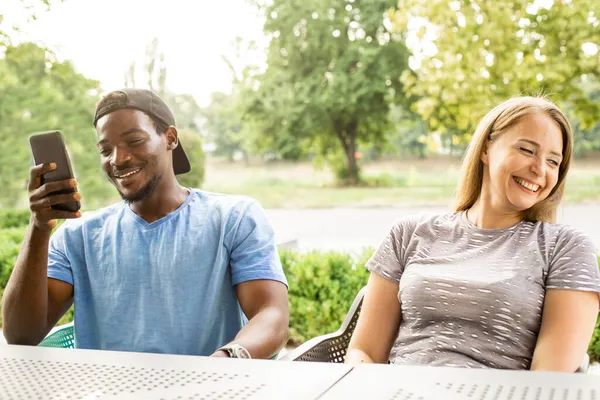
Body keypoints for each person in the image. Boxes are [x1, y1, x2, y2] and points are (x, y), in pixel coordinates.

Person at [2, 88, 289, 359]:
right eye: (105, 150)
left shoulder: (234, 218)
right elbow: (20, 335)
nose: (118, 158)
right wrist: (39, 226)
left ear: (171, 138)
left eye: (134, 141)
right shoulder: (77, 236)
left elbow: (271, 315)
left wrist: (227, 359)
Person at [346, 96, 600, 372]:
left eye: (553, 161)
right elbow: (364, 351)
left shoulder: (566, 249)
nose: (540, 169)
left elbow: (549, 382)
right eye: (527, 150)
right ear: (487, 148)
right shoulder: (408, 233)